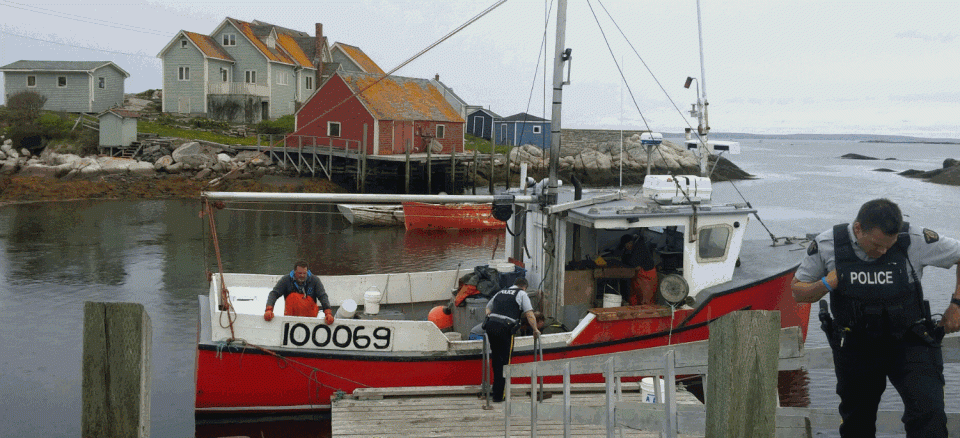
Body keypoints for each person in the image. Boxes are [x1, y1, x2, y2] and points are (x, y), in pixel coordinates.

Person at [791, 198, 960, 438]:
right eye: (876, 245)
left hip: (909, 341)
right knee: (856, 424)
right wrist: (827, 283)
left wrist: (957, 304)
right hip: (857, 346)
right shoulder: (829, 244)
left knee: (929, 415)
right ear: (858, 228)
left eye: (889, 246)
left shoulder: (913, 239)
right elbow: (798, 292)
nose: (883, 252)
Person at [484, 277, 540, 402]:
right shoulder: (522, 294)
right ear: (524, 287)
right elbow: (529, 314)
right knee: (505, 362)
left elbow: (487, 308)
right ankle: (500, 396)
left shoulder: (500, 292)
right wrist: (535, 329)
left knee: (496, 359)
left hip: (491, 326)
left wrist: (492, 317)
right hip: (505, 328)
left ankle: (496, 391)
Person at [264, 261, 334, 325]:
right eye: (300, 273)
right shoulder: (286, 280)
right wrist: (269, 310)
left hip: (311, 321)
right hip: (290, 320)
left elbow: (322, 296)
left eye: (304, 273)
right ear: (294, 271)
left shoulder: (315, 281)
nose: (302, 275)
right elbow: (274, 294)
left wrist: (328, 313)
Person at [620, 233, 658, 306]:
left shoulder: (640, 247)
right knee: (634, 297)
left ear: (632, 242)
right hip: (638, 276)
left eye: (629, 244)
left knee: (646, 300)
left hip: (648, 275)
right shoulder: (634, 247)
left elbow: (634, 263)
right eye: (626, 246)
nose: (628, 247)